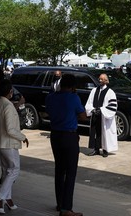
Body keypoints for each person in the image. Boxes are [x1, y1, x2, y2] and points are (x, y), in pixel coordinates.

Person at [46, 74, 86, 216]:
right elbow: (83, 116)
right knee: (70, 173)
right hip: (69, 135)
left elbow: (49, 112)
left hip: (55, 135)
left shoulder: (50, 97)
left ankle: (60, 203)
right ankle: (66, 208)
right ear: (73, 86)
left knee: (59, 170)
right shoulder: (74, 98)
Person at [0, 79, 29, 214]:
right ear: (10, 92)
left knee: (7, 171)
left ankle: (7, 198)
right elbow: (11, 130)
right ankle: (0, 197)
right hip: (8, 143)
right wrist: (23, 137)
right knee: (14, 170)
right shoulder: (8, 106)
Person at [0, 69, 25, 184]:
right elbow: (9, 128)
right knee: (13, 168)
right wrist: (22, 137)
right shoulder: (7, 103)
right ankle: (2, 193)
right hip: (7, 136)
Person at [85, 73, 118, 157]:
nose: (100, 80)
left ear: (106, 81)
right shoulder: (94, 91)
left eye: (102, 79)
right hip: (95, 116)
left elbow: (112, 106)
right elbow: (88, 103)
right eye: (99, 79)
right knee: (95, 132)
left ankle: (105, 150)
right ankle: (96, 149)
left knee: (104, 134)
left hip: (104, 117)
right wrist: (92, 110)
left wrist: (101, 110)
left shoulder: (110, 92)